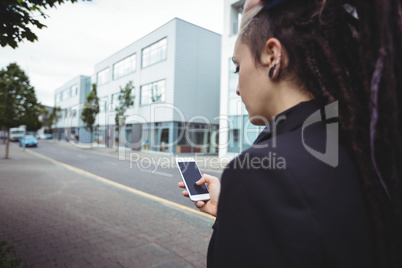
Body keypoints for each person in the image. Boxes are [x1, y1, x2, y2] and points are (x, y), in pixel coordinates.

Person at [178, 0, 402, 267]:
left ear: (273, 56)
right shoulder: (363, 146)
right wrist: (238, 210)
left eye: (238, 67)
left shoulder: (261, 174)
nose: (237, 88)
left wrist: (248, 200)